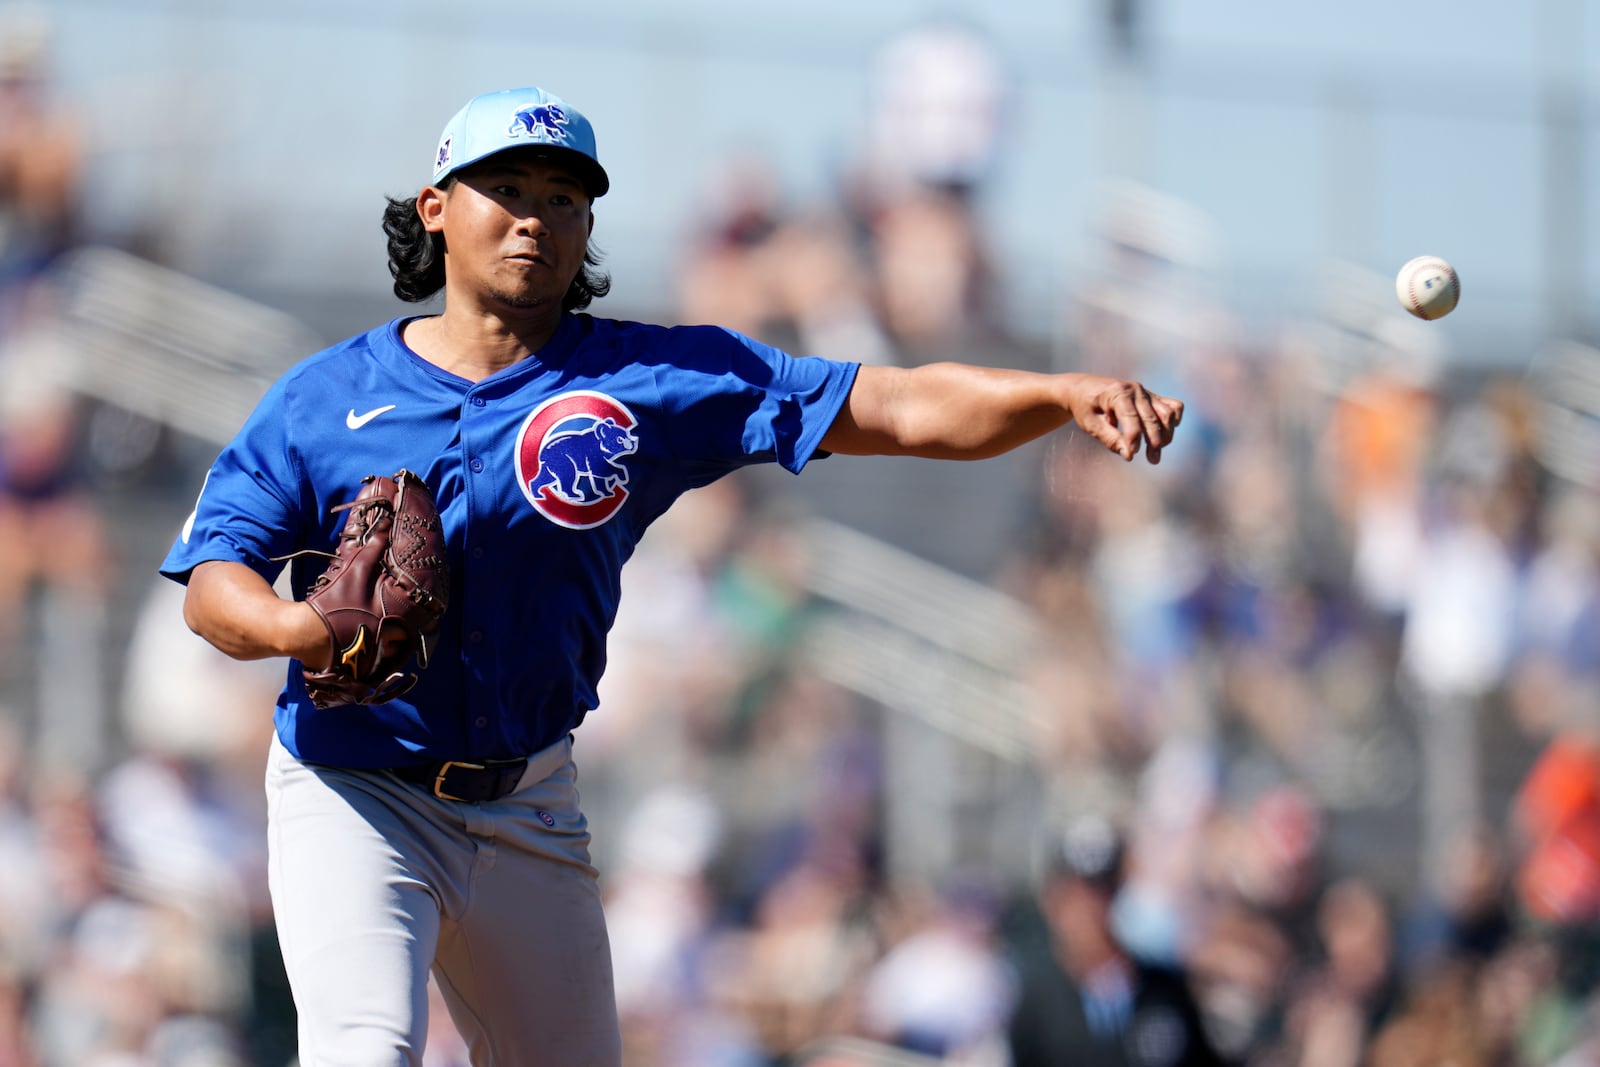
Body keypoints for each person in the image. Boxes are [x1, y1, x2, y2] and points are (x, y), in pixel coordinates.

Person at [160, 85, 1183, 1066]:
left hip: (527, 799)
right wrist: (301, 630)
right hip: (357, 786)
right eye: (506, 188)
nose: (535, 218)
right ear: (436, 209)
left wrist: (1058, 392)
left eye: (563, 197)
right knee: (362, 1050)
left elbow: (898, 406)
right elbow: (215, 581)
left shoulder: (647, 383)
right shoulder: (323, 397)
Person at [1006, 815, 1227, 1067]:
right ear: (1054, 901)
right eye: (1080, 896)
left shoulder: (1165, 990)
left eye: (1106, 892)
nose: (1094, 909)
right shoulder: (1036, 1000)